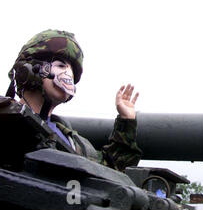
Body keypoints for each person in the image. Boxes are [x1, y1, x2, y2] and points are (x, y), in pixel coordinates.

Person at [5, 29, 142, 171]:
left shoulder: (72, 141)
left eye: (71, 71)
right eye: (61, 65)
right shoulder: (6, 120)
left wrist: (126, 121)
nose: (67, 74)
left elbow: (111, 169)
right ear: (28, 69)